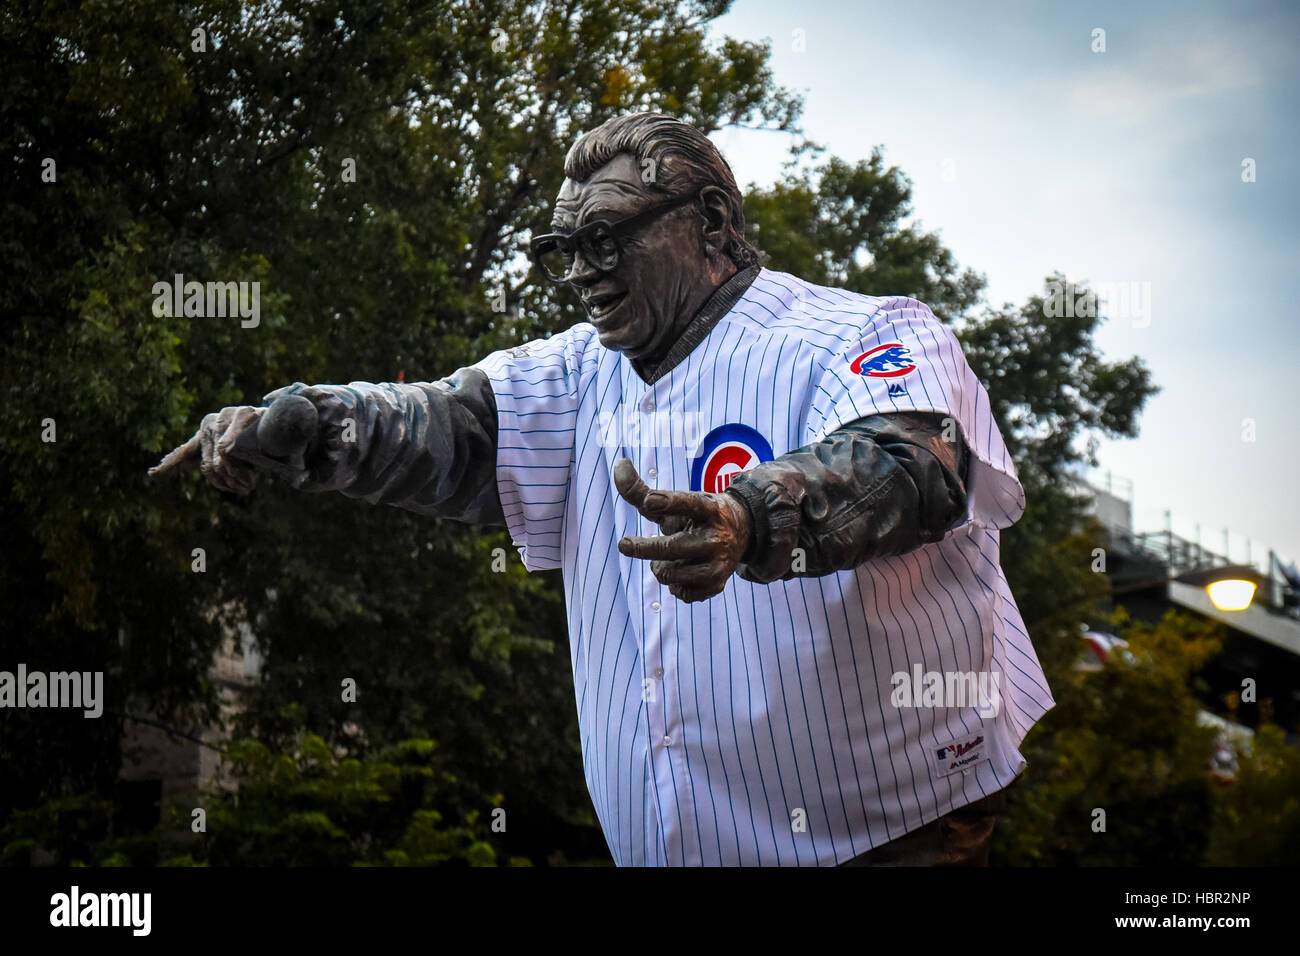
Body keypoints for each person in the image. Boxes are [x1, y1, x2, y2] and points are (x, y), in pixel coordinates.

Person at [154, 112, 1053, 866]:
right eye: (563, 247)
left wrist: (752, 516)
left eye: (606, 236)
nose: (582, 267)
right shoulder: (581, 373)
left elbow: (916, 461)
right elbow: (452, 429)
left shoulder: (855, 331)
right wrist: (314, 423)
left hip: (891, 836)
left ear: (708, 219)